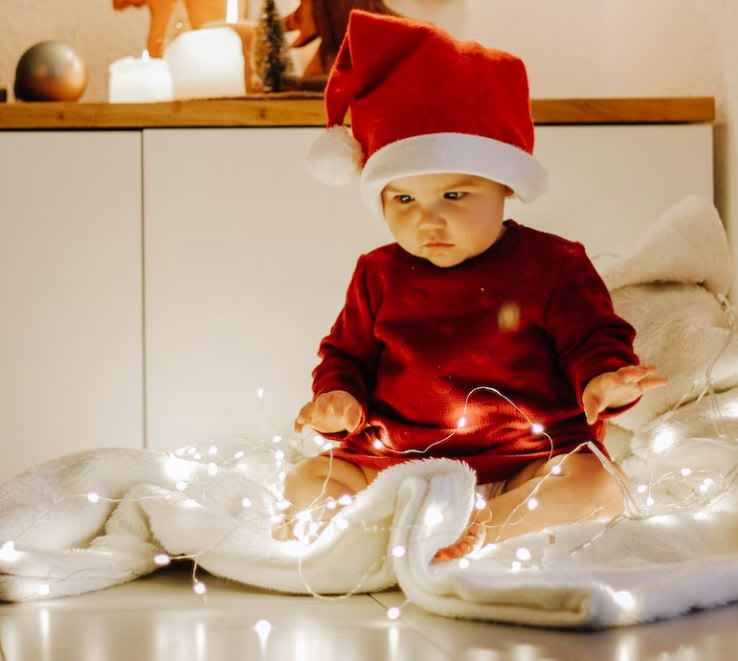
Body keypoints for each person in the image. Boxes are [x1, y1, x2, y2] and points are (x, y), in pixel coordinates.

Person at [276, 10, 667, 558]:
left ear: (504, 187)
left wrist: (603, 378)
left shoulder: (552, 263)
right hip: (394, 463)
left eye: (454, 196)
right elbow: (345, 354)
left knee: (599, 486)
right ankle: (368, 535)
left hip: (523, 464)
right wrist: (337, 398)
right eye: (404, 199)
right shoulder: (377, 272)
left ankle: (481, 527)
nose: (426, 221)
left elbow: (592, 336)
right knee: (305, 483)